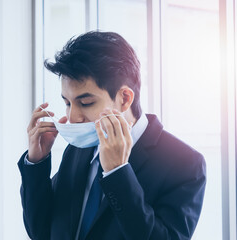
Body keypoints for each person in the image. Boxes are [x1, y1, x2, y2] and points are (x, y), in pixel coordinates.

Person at [17, 31, 206, 240]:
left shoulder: (187, 164)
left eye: (86, 103)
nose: (72, 117)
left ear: (125, 98)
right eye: (67, 103)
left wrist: (118, 173)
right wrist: (37, 163)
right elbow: (41, 232)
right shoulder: (79, 149)